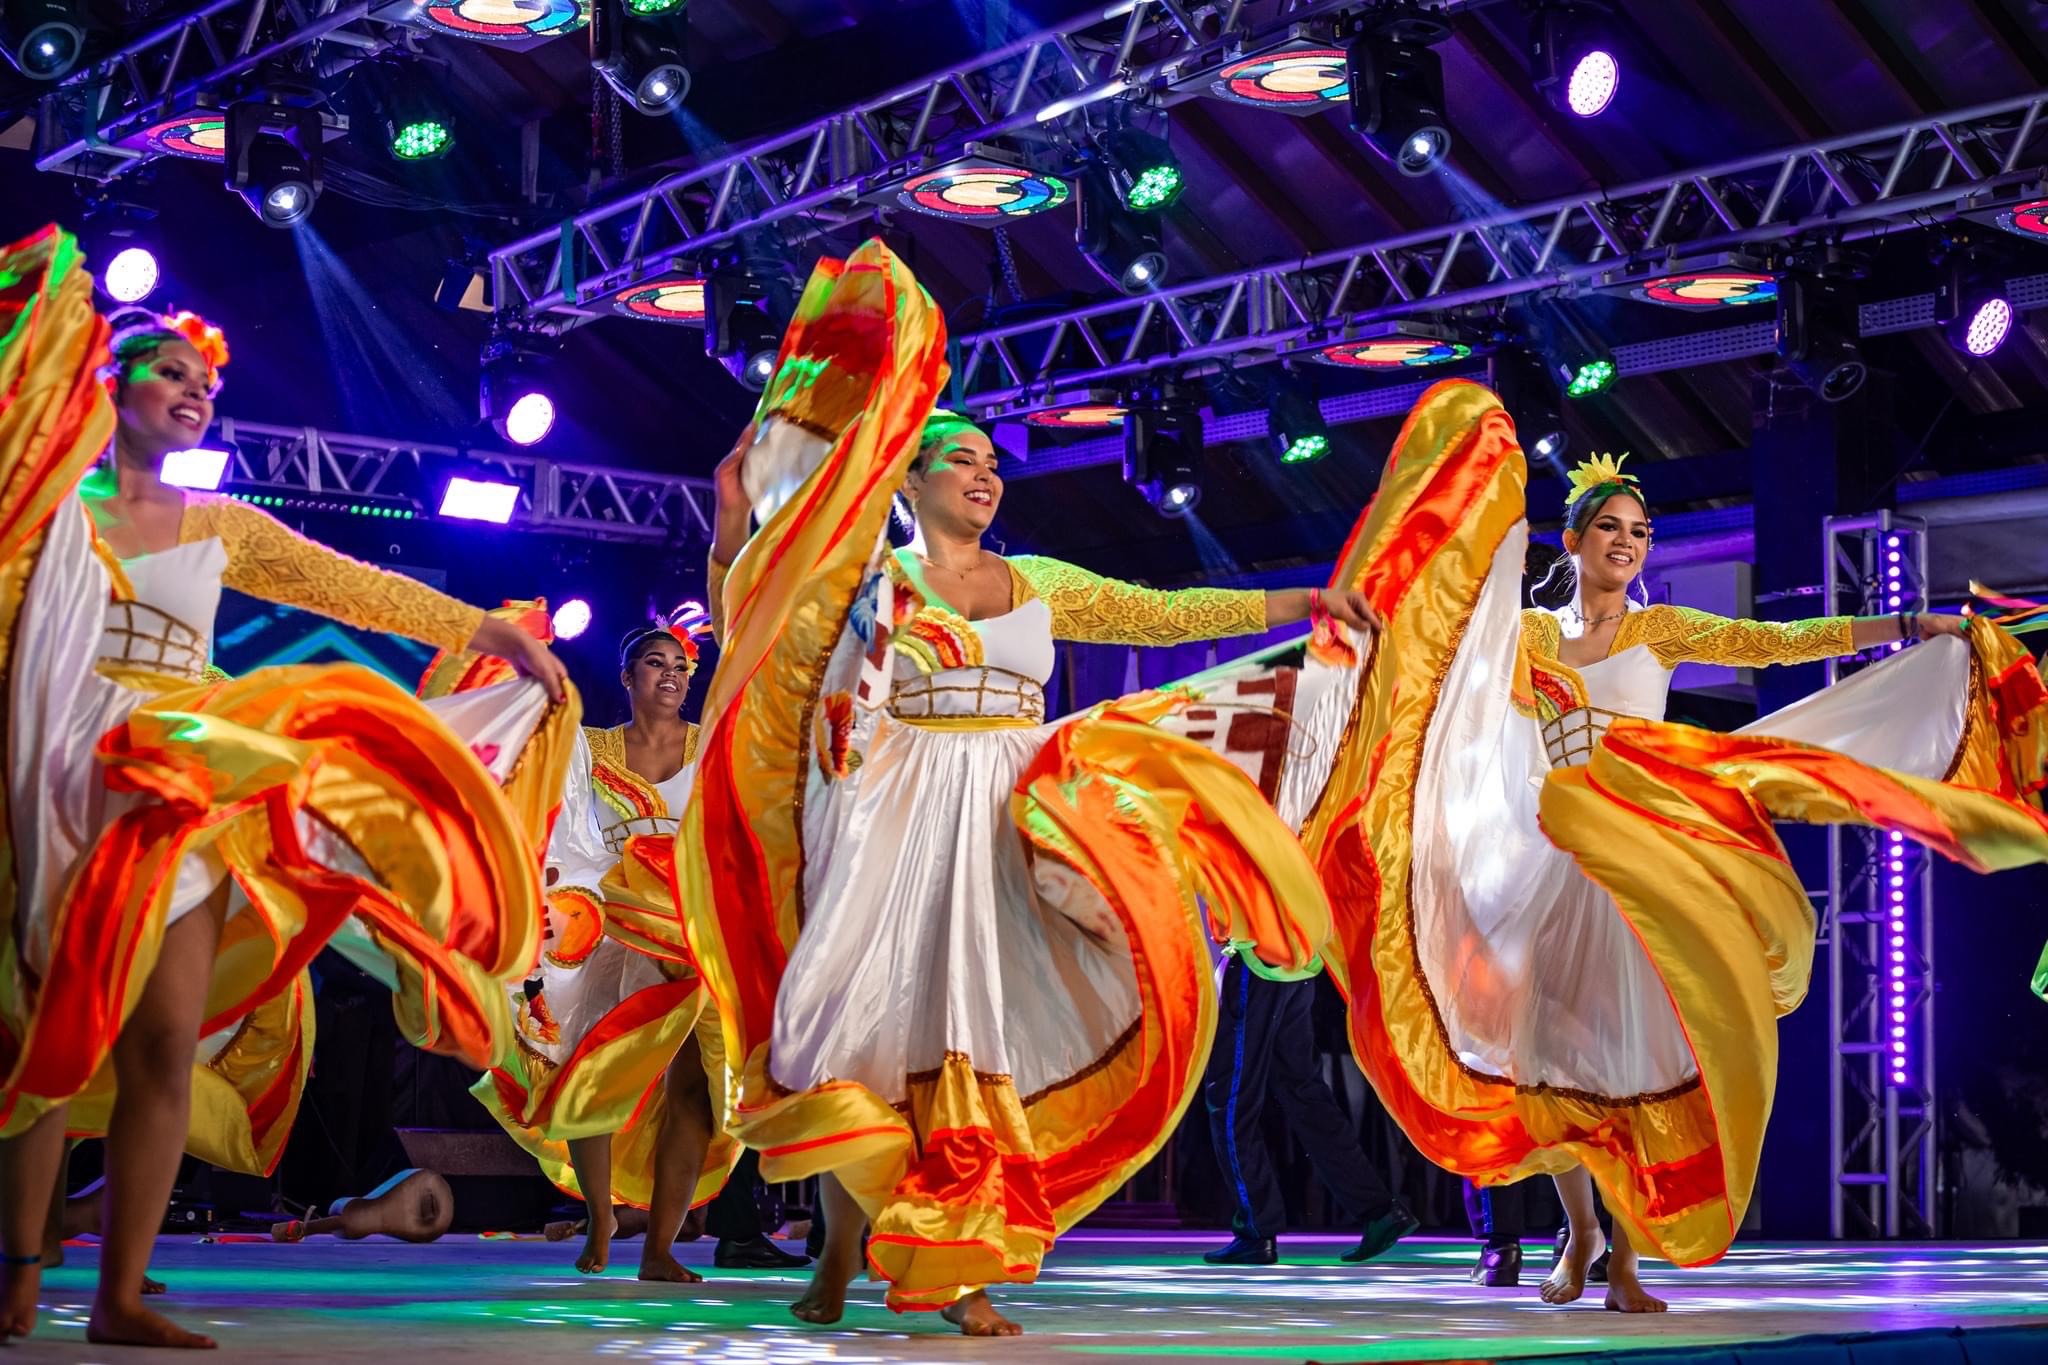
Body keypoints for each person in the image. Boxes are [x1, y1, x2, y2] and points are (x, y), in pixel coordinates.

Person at [674, 241, 1370, 1336]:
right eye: (960, 460)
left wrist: (1302, 602)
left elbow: (1165, 611)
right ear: (907, 479)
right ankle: (848, 1258)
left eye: (994, 462)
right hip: (901, 820)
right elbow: (752, 621)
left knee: (978, 1031)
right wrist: (733, 517)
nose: (985, 475)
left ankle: (952, 1265)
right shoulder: (873, 583)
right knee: (877, 1033)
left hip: (1012, 810)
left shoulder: (1035, 582)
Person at [1322, 381, 2048, 1313]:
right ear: (1573, 542)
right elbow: (1452, 652)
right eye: (1609, 529)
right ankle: (1577, 1229)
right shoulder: (1532, 637)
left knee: (1634, 1053)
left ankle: (1622, 1254)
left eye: (1639, 533)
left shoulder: (1662, 631)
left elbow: (1782, 639)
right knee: (1551, 1058)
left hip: (1647, 866)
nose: (1626, 543)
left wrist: (1910, 625)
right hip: (1550, 862)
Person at [0, 230, 575, 1349]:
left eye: (208, 387)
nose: (195, 396)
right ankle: (19, 1279)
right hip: (56, 777)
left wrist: (486, 627)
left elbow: (353, 585)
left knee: (163, 1040)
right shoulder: (41, 518)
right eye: (172, 372)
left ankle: (118, 1295)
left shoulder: (223, 527)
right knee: (48, 1035)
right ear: (108, 379)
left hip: (185, 782)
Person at [443, 617, 791, 1279]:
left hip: (694, 933)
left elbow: (740, 835)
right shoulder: (590, 747)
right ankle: (601, 1217)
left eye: (681, 666)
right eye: (655, 663)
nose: (671, 675)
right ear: (628, 678)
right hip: (610, 926)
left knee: (696, 1091)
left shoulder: (715, 745)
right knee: (596, 1072)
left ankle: (660, 1248)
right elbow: (564, 830)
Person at [1201, 960, 1415, 1266]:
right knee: (1307, 1098)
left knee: (1231, 1100)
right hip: (1297, 968)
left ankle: (1256, 1229)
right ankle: (1379, 1210)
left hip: (1255, 963)